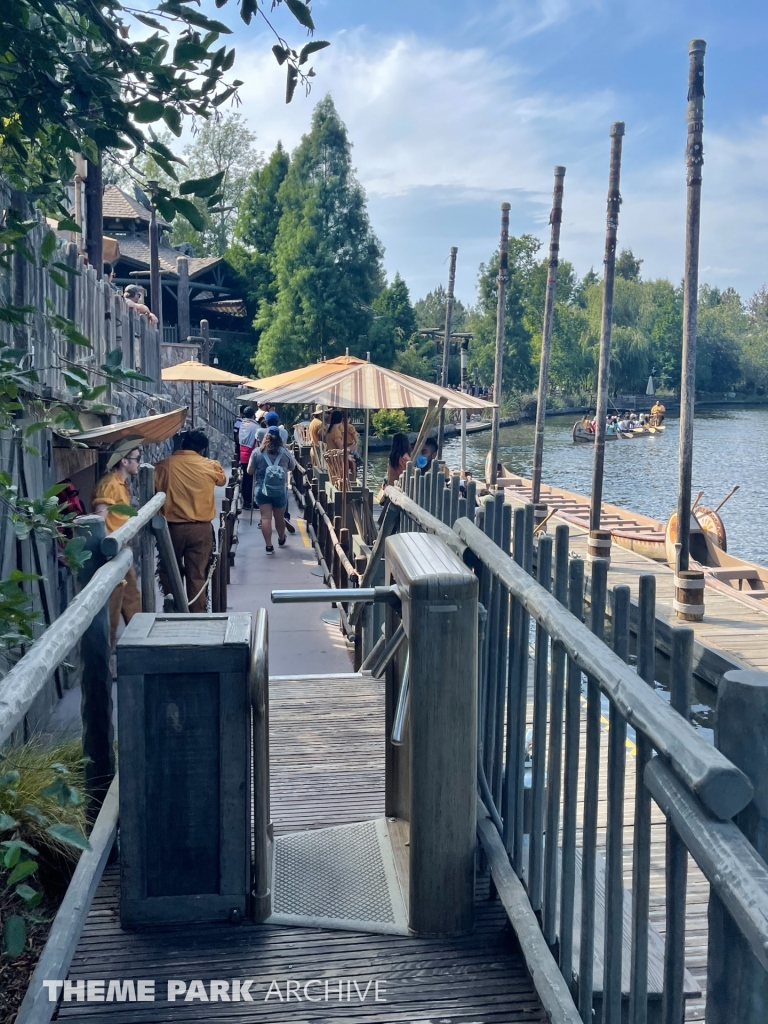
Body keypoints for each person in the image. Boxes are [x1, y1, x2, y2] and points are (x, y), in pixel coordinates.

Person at [154, 430, 226, 612]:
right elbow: (222, 481)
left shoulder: (163, 466)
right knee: (198, 575)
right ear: (202, 449)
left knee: (170, 571)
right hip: (201, 529)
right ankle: (197, 613)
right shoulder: (210, 466)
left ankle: (174, 607)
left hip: (171, 529)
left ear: (182, 444)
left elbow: (154, 485)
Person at [91, 439, 143, 648]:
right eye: (137, 459)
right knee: (113, 607)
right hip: (112, 553)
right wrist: (108, 549)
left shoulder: (119, 483)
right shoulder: (109, 484)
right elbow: (99, 516)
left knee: (131, 599)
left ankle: (140, 646)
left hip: (122, 550)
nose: (139, 463)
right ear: (124, 461)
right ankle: (108, 658)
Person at [248, 428, 296, 554]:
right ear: (280, 438)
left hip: (262, 489)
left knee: (265, 518)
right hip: (280, 490)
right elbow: (292, 467)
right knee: (279, 517)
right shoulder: (285, 453)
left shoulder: (257, 452)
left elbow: (250, 471)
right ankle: (281, 538)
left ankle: (269, 546)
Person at [237, 405, 258, 509]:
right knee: (250, 479)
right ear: (253, 415)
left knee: (246, 478)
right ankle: (248, 501)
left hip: (243, 454)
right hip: (250, 454)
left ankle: (246, 500)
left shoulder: (243, 424)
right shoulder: (254, 426)